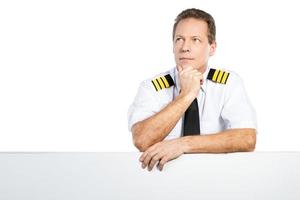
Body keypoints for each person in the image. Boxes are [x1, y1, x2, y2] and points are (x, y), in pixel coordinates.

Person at [127, 8, 257, 171]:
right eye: (179, 39)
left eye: (195, 40)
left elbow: (247, 139)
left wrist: (183, 144)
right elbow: (141, 140)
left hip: (217, 177)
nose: (185, 47)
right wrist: (186, 95)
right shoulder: (152, 87)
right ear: (173, 46)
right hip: (163, 180)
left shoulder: (229, 83)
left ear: (212, 48)